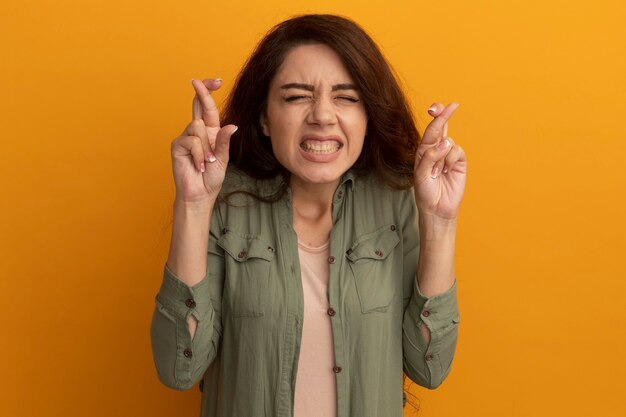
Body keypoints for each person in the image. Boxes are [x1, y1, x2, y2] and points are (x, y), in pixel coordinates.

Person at [151, 14, 465, 417]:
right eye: (297, 96)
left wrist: (439, 221)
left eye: (347, 98)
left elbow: (429, 366)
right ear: (264, 117)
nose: (322, 115)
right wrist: (194, 206)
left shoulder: (399, 203)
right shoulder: (224, 204)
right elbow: (179, 368)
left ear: (368, 117)